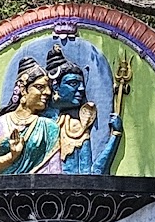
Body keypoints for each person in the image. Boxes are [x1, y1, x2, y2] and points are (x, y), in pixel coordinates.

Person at [0, 58, 62, 175]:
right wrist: (11, 156)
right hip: (2, 190)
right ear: (23, 89)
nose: (48, 92)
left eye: (48, 88)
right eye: (40, 87)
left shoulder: (49, 128)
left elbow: (55, 172)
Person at [46, 44, 122, 174]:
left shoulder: (74, 128)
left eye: (82, 84)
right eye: (73, 83)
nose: (81, 89)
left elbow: (92, 174)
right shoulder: (34, 124)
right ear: (55, 87)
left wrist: (116, 135)